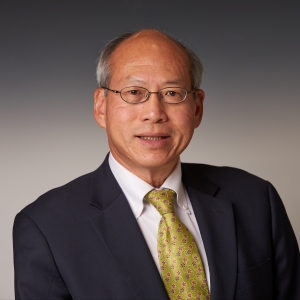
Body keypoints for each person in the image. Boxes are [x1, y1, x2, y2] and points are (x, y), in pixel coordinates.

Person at [13, 29, 300, 300]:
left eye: (173, 93)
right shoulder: (46, 227)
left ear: (197, 108)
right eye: (134, 93)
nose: (154, 113)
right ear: (101, 106)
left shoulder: (256, 199)